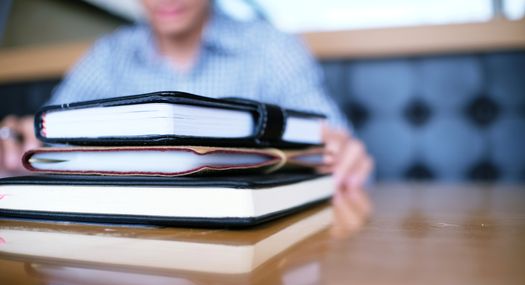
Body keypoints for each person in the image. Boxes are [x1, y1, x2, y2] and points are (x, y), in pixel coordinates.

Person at [0, 0, 373, 188]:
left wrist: (343, 161)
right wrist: (17, 146)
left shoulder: (272, 50)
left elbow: (337, 151)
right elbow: (46, 142)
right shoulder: (107, 56)